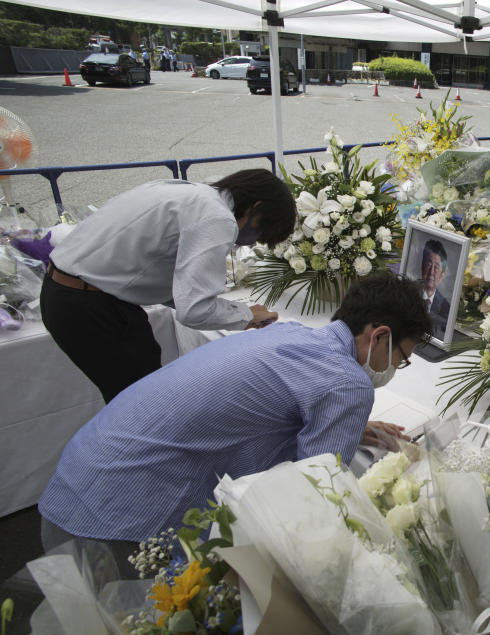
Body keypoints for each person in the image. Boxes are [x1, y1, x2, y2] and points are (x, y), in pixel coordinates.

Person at [38, 273, 432, 552]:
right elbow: (314, 494)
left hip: (75, 484)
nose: (395, 368)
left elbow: (271, 404)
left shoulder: (289, 333)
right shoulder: (348, 382)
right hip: (120, 523)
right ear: (379, 334)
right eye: (401, 357)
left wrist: (343, 426)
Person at [41, 169, 296, 403]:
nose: (251, 242)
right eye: (262, 231)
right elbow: (194, 310)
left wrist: (237, 314)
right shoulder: (217, 218)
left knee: (135, 391)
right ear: (256, 206)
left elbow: (169, 278)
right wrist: (246, 315)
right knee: (142, 403)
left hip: (66, 292)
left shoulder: (188, 192)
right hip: (90, 305)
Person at [421, 239, 451, 335]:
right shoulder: (408, 293)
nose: (431, 272)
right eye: (429, 264)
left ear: (442, 275)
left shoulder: (446, 308)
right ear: (422, 266)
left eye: (436, 267)